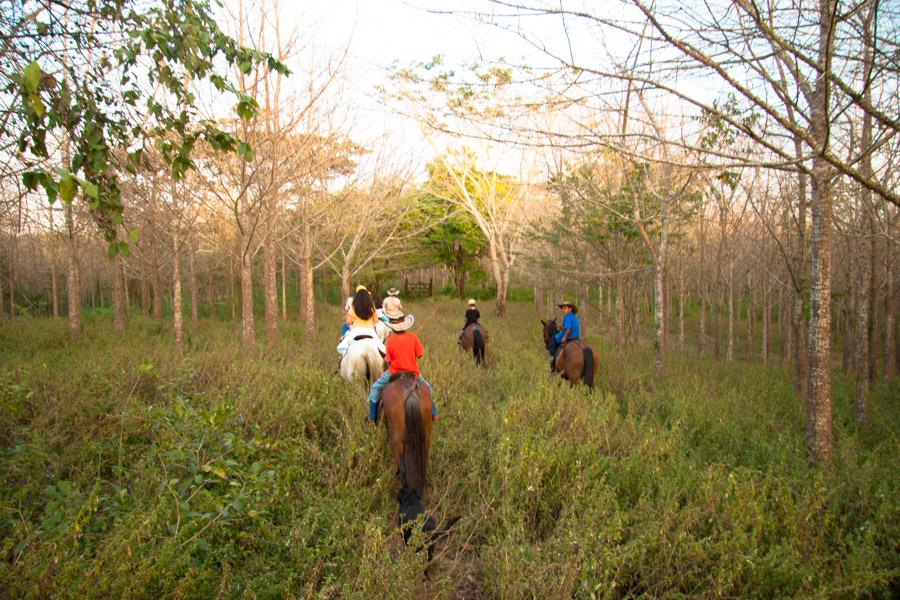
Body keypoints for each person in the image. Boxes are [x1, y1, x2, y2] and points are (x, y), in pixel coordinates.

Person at [367, 302, 438, 423]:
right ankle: (434, 413)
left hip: (394, 372)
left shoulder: (390, 340)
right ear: (404, 324)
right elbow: (420, 355)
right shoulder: (413, 337)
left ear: (392, 326)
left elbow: (388, 360)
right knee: (428, 389)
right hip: (413, 373)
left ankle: (372, 418)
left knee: (375, 388)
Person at [338, 285, 381, 356]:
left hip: (356, 330)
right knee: (380, 348)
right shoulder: (372, 307)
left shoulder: (353, 307)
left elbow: (348, 321)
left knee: (343, 347)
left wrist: (352, 323)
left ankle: (341, 361)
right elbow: (376, 321)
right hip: (370, 331)